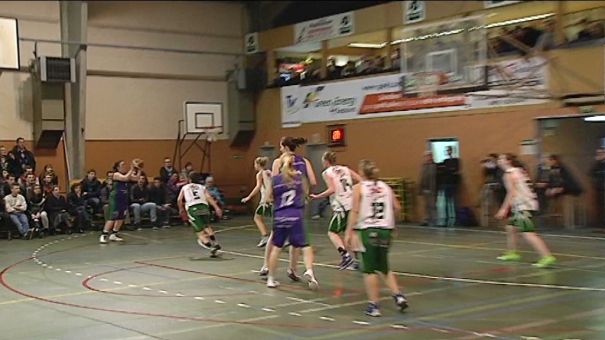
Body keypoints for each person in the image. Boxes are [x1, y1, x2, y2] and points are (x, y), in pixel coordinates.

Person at [344, 160, 408, 317]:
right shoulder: (385, 187)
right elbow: (398, 207)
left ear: (362, 173)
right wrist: (393, 224)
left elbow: (355, 211)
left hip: (368, 230)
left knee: (370, 269)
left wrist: (349, 230)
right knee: (384, 266)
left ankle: (374, 305)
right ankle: (398, 295)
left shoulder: (359, 188)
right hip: (386, 230)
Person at [260, 136, 317, 279]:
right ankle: (293, 269)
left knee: (275, 237)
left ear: (285, 147)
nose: (279, 150)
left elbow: (274, 182)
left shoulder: (278, 162)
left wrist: (270, 199)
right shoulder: (304, 161)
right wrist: (304, 191)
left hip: (282, 203)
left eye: (280, 147)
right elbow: (314, 181)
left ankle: (266, 265)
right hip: (298, 202)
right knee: (296, 239)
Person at [495, 153, 556, 268]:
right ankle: (512, 252)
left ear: (508, 161)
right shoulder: (519, 170)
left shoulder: (509, 174)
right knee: (510, 227)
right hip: (528, 202)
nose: (499, 160)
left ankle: (546, 256)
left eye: (501, 158)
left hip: (523, 205)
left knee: (528, 233)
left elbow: (511, 193)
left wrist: (503, 209)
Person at [310, 151, 361, 270]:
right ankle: (357, 260)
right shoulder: (345, 169)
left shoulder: (327, 172)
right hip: (351, 203)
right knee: (351, 231)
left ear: (326, 161)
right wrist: (352, 191)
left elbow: (332, 189)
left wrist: (317, 196)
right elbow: (359, 179)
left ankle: (346, 256)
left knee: (332, 232)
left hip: (341, 205)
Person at [177, 172, 223, 257]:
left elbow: (179, 199)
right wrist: (216, 208)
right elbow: (209, 197)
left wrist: (181, 209)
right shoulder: (202, 187)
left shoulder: (185, 187)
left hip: (193, 208)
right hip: (204, 207)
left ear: (189, 179)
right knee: (207, 226)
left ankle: (210, 247)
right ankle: (215, 242)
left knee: (199, 232)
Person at [99, 160, 139, 244]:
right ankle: (103, 235)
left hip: (123, 198)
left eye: (125, 164)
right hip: (115, 198)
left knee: (121, 217)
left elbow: (136, 178)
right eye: (122, 165)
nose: (124, 166)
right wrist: (131, 169)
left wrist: (139, 169)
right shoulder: (116, 174)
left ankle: (114, 234)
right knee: (112, 217)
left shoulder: (126, 174)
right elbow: (125, 178)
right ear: (117, 167)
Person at [241, 157, 272, 248]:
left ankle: (265, 236)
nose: (254, 166)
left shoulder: (260, 174)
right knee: (275, 219)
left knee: (257, 218)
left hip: (266, 199)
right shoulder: (270, 172)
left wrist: (248, 197)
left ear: (258, 165)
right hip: (274, 199)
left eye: (255, 164)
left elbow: (258, 187)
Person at [443, 146, 461, 227]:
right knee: (447, 202)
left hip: (453, 183)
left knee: (454, 202)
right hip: (446, 182)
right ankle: (447, 218)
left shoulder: (456, 160)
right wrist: (450, 170)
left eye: (449, 150)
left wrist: (450, 170)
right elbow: (446, 170)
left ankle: (455, 219)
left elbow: (456, 170)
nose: (448, 151)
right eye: (447, 150)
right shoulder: (445, 161)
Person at [419, 151, 437, 226]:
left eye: (429, 156)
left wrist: (434, 188)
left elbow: (434, 178)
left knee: (432, 205)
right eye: (426, 156)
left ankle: (433, 220)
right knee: (426, 206)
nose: (427, 158)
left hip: (432, 189)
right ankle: (426, 219)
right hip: (424, 188)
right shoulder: (424, 166)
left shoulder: (434, 166)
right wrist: (420, 188)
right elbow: (421, 177)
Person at [590, 147, 605, 229]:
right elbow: (591, 173)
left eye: (601, 153)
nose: (599, 155)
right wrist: (597, 161)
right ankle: (600, 224)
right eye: (598, 153)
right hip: (599, 189)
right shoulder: (597, 164)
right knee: (599, 207)